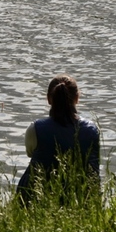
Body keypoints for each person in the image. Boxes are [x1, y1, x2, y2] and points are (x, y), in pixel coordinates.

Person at [16, 75, 101, 206]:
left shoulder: (35, 128)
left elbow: (30, 153)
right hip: (81, 199)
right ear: (77, 99)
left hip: (36, 198)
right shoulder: (92, 130)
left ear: (49, 99)